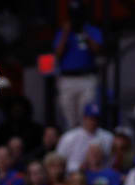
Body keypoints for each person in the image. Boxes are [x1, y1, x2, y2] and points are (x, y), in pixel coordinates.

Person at [53, 1, 102, 129]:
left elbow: (97, 49)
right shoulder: (63, 31)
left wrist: (84, 34)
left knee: (86, 114)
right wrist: (65, 33)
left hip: (87, 78)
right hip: (67, 79)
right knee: (69, 118)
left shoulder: (91, 30)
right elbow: (57, 54)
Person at [56, 105, 113, 173]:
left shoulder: (108, 137)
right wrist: (78, 167)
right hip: (73, 175)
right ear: (84, 118)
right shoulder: (69, 137)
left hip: (101, 174)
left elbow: (111, 160)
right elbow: (58, 161)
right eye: (91, 118)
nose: (94, 122)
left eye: (96, 119)